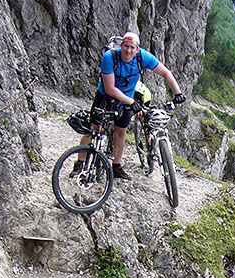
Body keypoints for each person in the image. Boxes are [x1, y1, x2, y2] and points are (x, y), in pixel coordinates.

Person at [79, 31, 185, 180]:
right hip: (106, 96)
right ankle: (79, 163)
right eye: (126, 46)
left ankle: (116, 166)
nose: (128, 50)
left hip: (127, 98)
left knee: (120, 131)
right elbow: (109, 88)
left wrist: (177, 93)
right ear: (121, 45)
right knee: (93, 129)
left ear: (137, 49)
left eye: (132, 47)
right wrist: (132, 102)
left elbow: (165, 73)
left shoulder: (143, 57)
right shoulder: (109, 57)